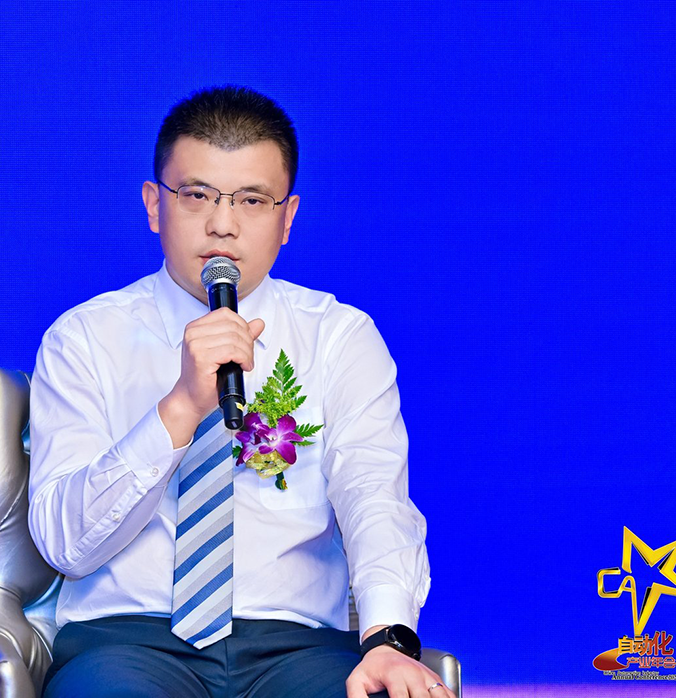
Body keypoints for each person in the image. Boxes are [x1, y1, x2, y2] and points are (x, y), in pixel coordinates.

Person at [28, 86, 448, 698]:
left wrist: (388, 638)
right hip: (126, 646)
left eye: (252, 200)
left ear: (288, 218)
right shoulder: (85, 338)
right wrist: (181, 406)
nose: (222, 224)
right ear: (154, 205)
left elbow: (374, 497)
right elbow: (66, 545)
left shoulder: (339, 336)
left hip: (298, 649)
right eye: (196, 195)